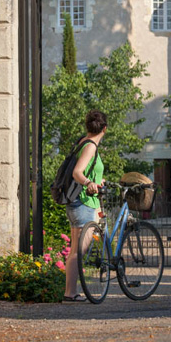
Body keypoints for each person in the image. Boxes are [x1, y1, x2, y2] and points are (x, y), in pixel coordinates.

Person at [63, 110, 107, 302]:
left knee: (75, 250)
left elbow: (87, 170)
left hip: (80, 202)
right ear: (105, 129)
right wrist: (89, 183)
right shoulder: (90, 146)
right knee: (78, 252)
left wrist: (97, 181)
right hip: (84, 203)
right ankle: (70, 293)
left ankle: (70, 292)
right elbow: (77, 172)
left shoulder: (83, 142)